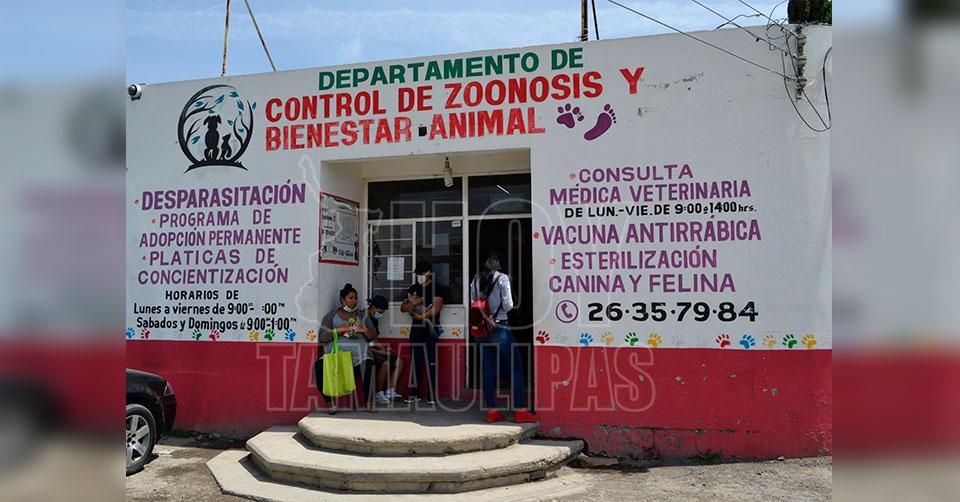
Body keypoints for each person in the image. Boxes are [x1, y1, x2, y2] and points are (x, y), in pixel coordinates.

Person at [469, 253, 538, 423]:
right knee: (516, 368)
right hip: (499, 327)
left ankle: (492, 411)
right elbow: (508, 305)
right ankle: (520, 411)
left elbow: (472, 301)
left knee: (488, 370)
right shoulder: (502, 278)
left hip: (481, 329)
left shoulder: (476, 279)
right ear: (500, 265)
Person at [315, 283, 378, 414]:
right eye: (350, 298)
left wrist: (363, 330)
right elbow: (323, 337)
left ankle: (369, 402)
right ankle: (330, 403)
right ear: (342, 300)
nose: (354, 301)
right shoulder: (331, 316)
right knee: (318, 368)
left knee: (369, 366)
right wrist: (340, 329)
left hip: (359, 358)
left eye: (356, 298)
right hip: (337, 358)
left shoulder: (362, 316)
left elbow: (373, 336)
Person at [400, 260, 448, 405]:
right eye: (417, 274)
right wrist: (415, 302)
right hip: (416, 329)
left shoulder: (436, 288)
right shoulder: (413, 288)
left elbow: (436, 308)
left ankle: (431, 395)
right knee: (416, 361)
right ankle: (414, 393)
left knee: (431, 362)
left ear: (428, 273)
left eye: (420, 274)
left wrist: (421, 316)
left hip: (431, 329)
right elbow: (403, 308)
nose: (418, 276)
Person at [364, 295, 405, 403]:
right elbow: (363, 344)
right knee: (385, 363)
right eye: (379, 312)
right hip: (365, 351)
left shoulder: (374, 320)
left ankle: (390, 390)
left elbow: (373, 340)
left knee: (399, 361)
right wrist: (379, 351)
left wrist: (385, 349)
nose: (380, 315)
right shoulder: (361, 318)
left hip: (373, 348)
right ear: (373, 307)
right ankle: (379, 392)